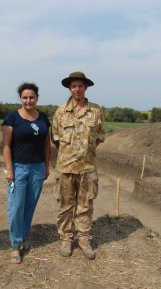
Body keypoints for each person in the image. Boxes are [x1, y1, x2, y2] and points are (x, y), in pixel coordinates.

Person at [51, 71, 105, 260]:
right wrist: (70, 154)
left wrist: (84, 152)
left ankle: (83, 239)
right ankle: (66, 238)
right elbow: (56, 139)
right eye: (73, 86)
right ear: (69, 88)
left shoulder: (96, 110)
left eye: (80, 86)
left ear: (86, 88)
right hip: (65, 168)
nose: (77, 89)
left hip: (87, 169)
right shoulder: (60, 112)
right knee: (66, 205)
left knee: (85, 206)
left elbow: (99, 137)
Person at [2, 82, 51, 264]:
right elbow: (6, 145)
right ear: (20, 99)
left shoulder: (43, 118)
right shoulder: (12, 117)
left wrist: (46, 167)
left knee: (29, 205)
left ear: (37, 98)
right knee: (16, 207)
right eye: (25, 97)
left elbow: (47, 144)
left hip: (37, 168)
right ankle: (15, 245)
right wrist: (9, 170)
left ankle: (24, 237)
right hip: (18, 167)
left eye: (32, 97)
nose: (28, 100)